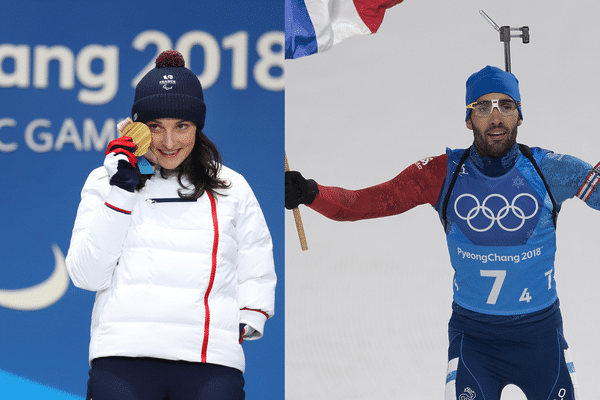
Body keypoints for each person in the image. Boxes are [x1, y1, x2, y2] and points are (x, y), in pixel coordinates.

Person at [285, 65, 596, 400]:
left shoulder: (549, 169)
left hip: (540, 339)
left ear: (519, 117)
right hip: (476, 341)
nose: (495, 118)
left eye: (506, 106)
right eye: (482, 107)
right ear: (467, 119)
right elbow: (366, 203)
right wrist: (312, 192)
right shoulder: (441, 173)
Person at [66, 50, 276, 400]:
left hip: (209, 360)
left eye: (182, 126)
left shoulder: (232, 186)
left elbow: (255, 258)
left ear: (198, 126)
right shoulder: (104, 182)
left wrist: (250, 316)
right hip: (122, 356)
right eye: (155, 127)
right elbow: (87, 276)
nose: (168, 142)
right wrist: (121, 192)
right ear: (136, 128)